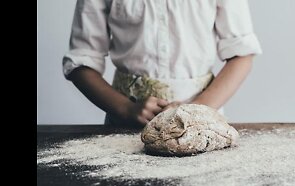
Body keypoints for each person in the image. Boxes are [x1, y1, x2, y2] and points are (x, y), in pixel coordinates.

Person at [63, 0, 262, 127]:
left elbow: (241, 55)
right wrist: (125, 108)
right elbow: (81, 61)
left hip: (203, 120)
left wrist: (196, 110)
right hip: (125, 124)